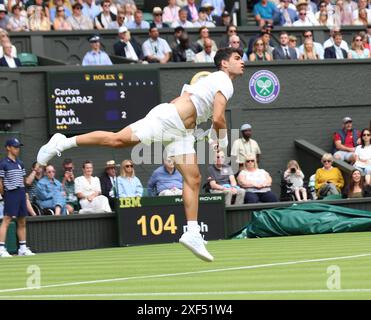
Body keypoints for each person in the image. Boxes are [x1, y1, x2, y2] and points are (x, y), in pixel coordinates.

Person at [37, 47, 245, 262]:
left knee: (193, 178)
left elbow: (187, 100)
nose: (242, 62)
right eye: (237, 58)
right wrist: (223, 140)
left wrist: (206, 130)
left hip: (181, 132)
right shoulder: (224, 80)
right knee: (117, 140)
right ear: (224, 64)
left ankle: (192, 232)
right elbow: (219, 118)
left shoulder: (210, 81)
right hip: (168, 120)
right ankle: (63, 142)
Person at [0, 138, 35, 257]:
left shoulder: (20, 163)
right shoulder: (3, 163)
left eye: (18, 147)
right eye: (15, 147)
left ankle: (23, 248)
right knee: (6, 220)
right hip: (10, 193)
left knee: (22, 221)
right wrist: (4, 194)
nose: (17, 149)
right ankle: (1, 249)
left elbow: (23, 180)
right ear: (8, 148)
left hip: (21, 193)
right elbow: (0, 182)